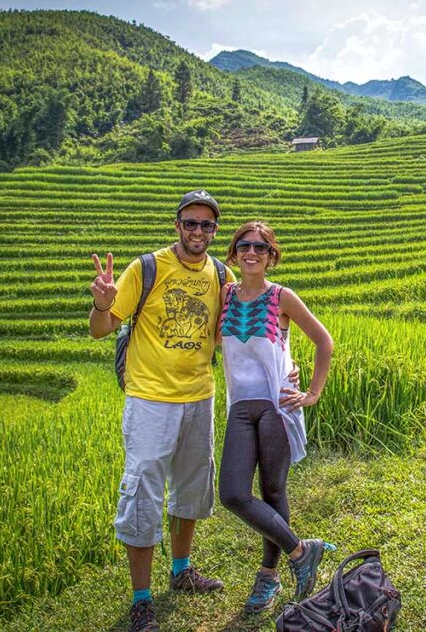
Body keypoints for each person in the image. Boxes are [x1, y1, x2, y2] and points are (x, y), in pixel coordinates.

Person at [88, 190, 231, 632]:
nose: (198, 231)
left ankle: (182, 570)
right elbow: (100, 330)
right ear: (177, 225)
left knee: (191, 487)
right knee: (143, 493)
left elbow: (226, 338)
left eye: (207, 225)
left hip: (199, 397)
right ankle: (141, 597)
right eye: (190, 222)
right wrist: (102, 300)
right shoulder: (146, 268)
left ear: (214, 231)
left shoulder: (220, 275)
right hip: (150, 400)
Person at [216, 220, 335, 614]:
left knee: (271, 491)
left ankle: (268, 576)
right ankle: (302, 551)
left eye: (260, 248)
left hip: (276, 407)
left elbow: (324, 341)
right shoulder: (225, 296)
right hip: (240, 406)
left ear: (271, 256)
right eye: (244, 246)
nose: (252, 253)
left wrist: (312, 393)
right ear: (234, 253)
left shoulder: (282, 297)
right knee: (233, 492)